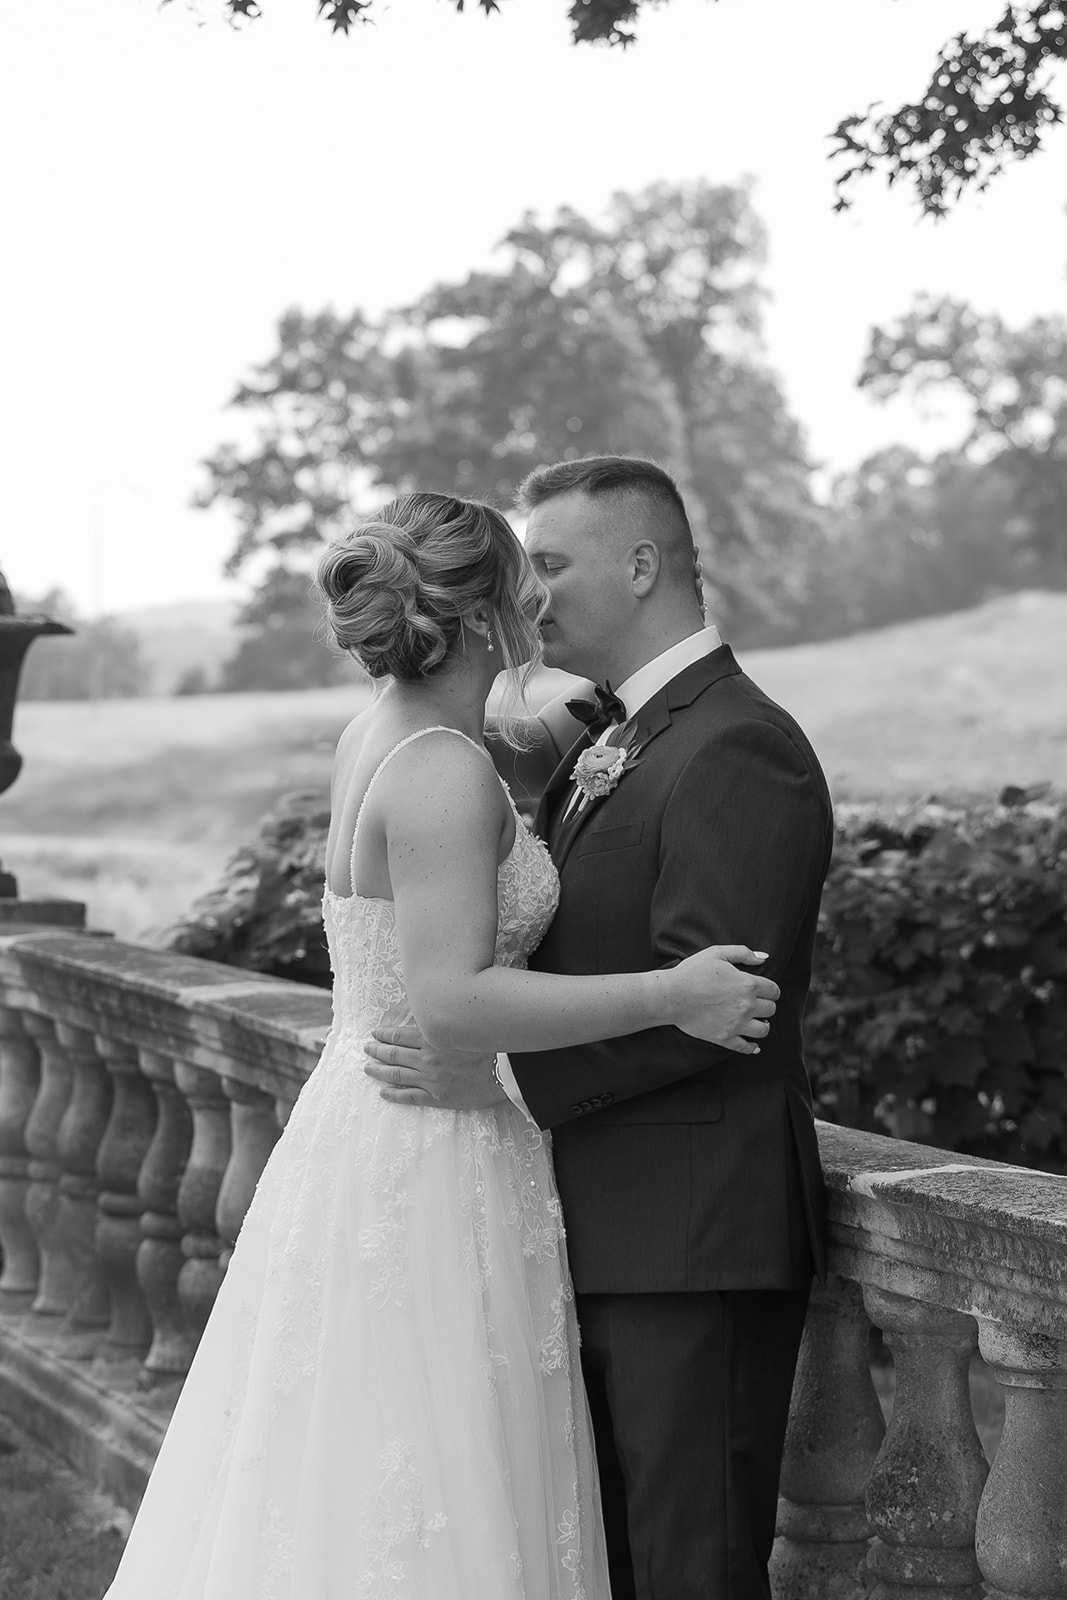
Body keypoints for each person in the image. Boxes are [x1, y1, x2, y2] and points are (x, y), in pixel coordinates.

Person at [101, 490, 778, 1600]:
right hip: (433, 1139)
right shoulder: (442, 770)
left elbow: (486, 773)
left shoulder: (393, 735)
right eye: (529, 579)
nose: (541, 601)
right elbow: (454, 1000)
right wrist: (669, 991)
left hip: (376, 1122)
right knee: (426, 1472)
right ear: (482, 617)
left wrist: (568, 719)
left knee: (356, 1467)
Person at [363, 457, 833, 1600]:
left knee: (690, 1567)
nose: (530, 595)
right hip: (603, 1221)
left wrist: (501, 1080)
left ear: (642, 564)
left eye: (555, 563)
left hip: (692, 1233)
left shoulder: (738, 745)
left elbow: (719, 1006)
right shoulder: (608, 739)